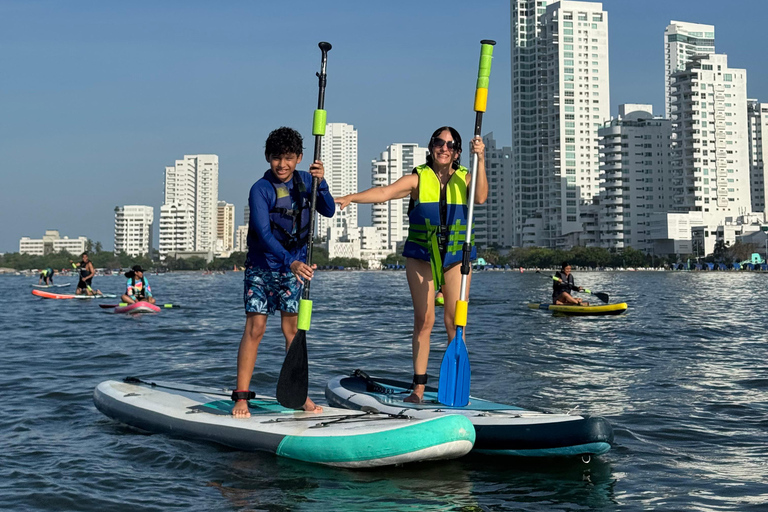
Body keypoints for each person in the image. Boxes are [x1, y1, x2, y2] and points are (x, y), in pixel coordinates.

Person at [336, 126, 487, 403]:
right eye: (439, 143)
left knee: (455, 322)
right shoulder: (417, 179)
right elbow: (384, 193)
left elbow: (479, 197)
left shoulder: (466, 177)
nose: (444, 148)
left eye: (451, 145)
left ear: (458, 152)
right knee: (424, 320)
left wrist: (481, 159)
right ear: (431, 147)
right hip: (422, 256)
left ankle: (454, 385)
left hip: (456, 258)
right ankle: (418, 388)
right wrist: (351, 198)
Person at [233, 127, 335, 418]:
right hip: (262, 268)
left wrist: (321, 182)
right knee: (256, 328)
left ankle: (299, 394)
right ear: (267, 157)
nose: (282, 164)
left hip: (295, 269)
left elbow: (327, 210)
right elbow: (263, 234)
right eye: (276, 158)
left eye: (289, 158)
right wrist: (290, 260)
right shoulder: (260, 189)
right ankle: (241, 397)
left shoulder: (307, 180)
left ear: (299, 158)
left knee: (293, 331)